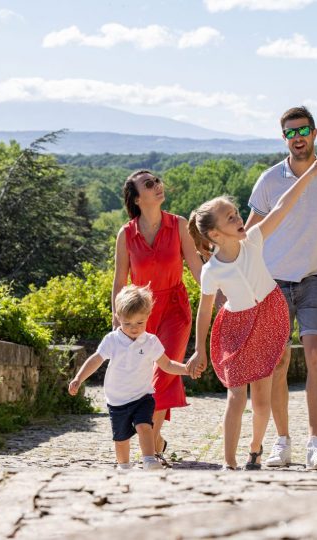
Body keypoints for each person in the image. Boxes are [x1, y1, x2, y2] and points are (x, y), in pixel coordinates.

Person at [187, 152, 317, 470]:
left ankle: (255, 449)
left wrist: (307, 175)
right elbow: (204, 311)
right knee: (236, 396)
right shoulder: (211, 271)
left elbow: (281, 207)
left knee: (262, 399)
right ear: (214, 235)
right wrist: (199, 351)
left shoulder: (253, 240)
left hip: (270, 314)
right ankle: (228, 462)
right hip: (236, 326)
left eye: (237, 214)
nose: (240, 220)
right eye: (231, 219)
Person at [245, 106, 317, 470]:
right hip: (274, 283)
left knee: (316, 357)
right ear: (284, 138)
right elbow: (249, 236)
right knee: (278, 363)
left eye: (303, 130)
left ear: (314, 132)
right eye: (290, 132)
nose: (297, 137)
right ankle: (282, 442)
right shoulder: (268, 180)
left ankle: (316, 443)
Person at [113, 170, 203, 463]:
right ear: (138, 199)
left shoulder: (178, 225)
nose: (158, 186)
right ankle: (155, 439)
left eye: (158, 181)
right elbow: (119, 281)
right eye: (149, 184)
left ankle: (147, 447)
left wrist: (220, 296)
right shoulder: (126, 234)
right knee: (143, 379)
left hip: (175, 308)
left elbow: (197, 267)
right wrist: (118, 322)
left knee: (163, 373)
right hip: (140, 314)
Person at [68, 285, 191, 470]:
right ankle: (123, 466)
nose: (134, 328)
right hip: (117, 400)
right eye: (128, 323)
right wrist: (79, 378)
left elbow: (167, 364)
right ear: (118, 318)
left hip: (142, 396)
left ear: (148, 316)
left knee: (144, 426)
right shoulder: (112, 340)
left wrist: (187, 369)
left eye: (140, 323)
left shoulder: (150, 342)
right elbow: (96, 359)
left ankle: (149, 460)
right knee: (121, 438)